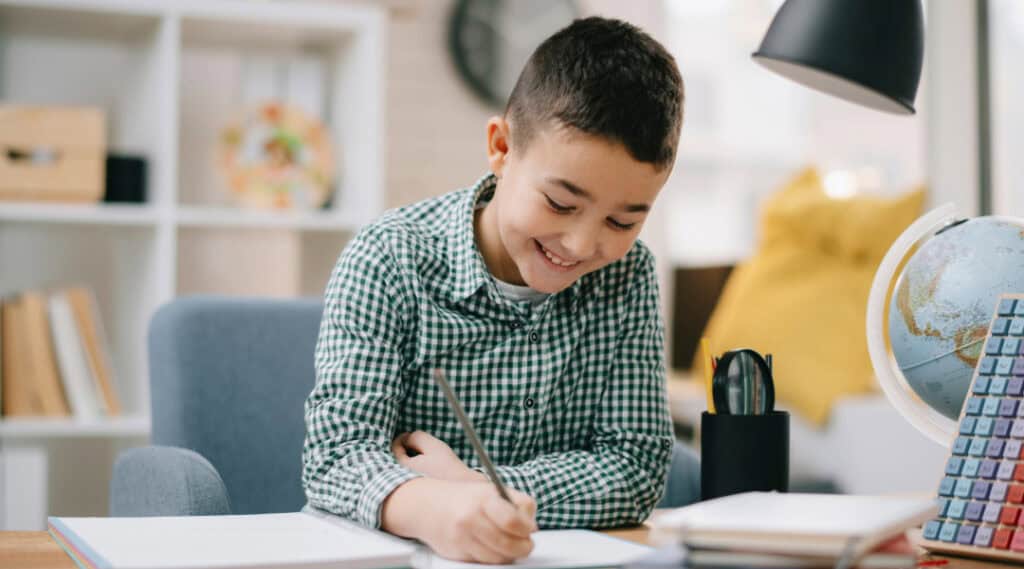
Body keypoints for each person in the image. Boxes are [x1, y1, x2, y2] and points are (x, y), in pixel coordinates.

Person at [303, 15, 687, 565]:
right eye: (560, 203)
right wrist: (433, 508)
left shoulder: (628, 277)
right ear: (502, 148)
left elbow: (635, 466)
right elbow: (337, 457)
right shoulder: (390, 257)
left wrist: (474, 483)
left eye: (622, 223)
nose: (580, 244)